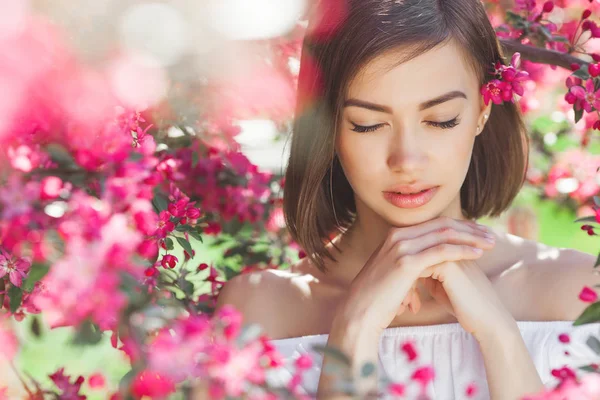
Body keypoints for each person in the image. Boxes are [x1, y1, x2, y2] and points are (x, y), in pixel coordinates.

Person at [211, 0, 600, 398]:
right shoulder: (261, 310)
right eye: (368, 125)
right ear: (328, 124)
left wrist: (500, 336)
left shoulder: (577, 294)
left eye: (441, 119)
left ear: (483, 108)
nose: (407, 160)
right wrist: (354, 326)